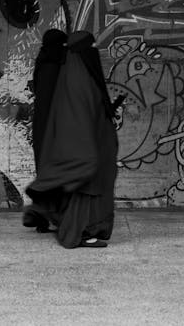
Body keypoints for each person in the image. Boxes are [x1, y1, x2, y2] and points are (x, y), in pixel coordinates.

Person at [25, 31, 119, 248]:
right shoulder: (78, 75)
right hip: (83, 144)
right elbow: (81, 114)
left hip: (62, 139)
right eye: (91, 46)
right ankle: (82, 231)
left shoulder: (67, 69)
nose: (94, 50)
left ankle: (54, 217)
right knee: (85, 186)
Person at [22, 29, 68, 233]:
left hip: (42, 124)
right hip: (53, 126)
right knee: (55, 172)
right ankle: (42, 213)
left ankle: (40, 215)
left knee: (47, 171)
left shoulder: (43, 61)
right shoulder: (53, 65)